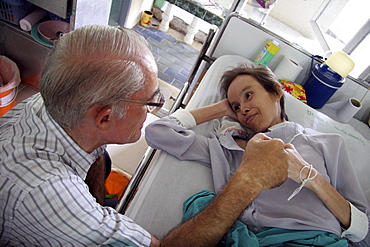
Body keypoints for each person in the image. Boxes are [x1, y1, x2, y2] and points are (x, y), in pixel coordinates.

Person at [0, 25, 295, 246]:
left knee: (99, 156)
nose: (157, 109)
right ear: (104, 118)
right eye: (153, 102)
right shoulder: (50, 195)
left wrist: (220, 108)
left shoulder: (55, 100)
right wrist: (247, 181)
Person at [145, 63, 370, 246]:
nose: (242, 108)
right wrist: (220, 108)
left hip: (316, 240)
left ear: (275, 91)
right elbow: (158, 132)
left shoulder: (326, 143)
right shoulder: (227, 148)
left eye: (249, 95)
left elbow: (363, 233)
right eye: (236, 106)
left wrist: (311, 178)